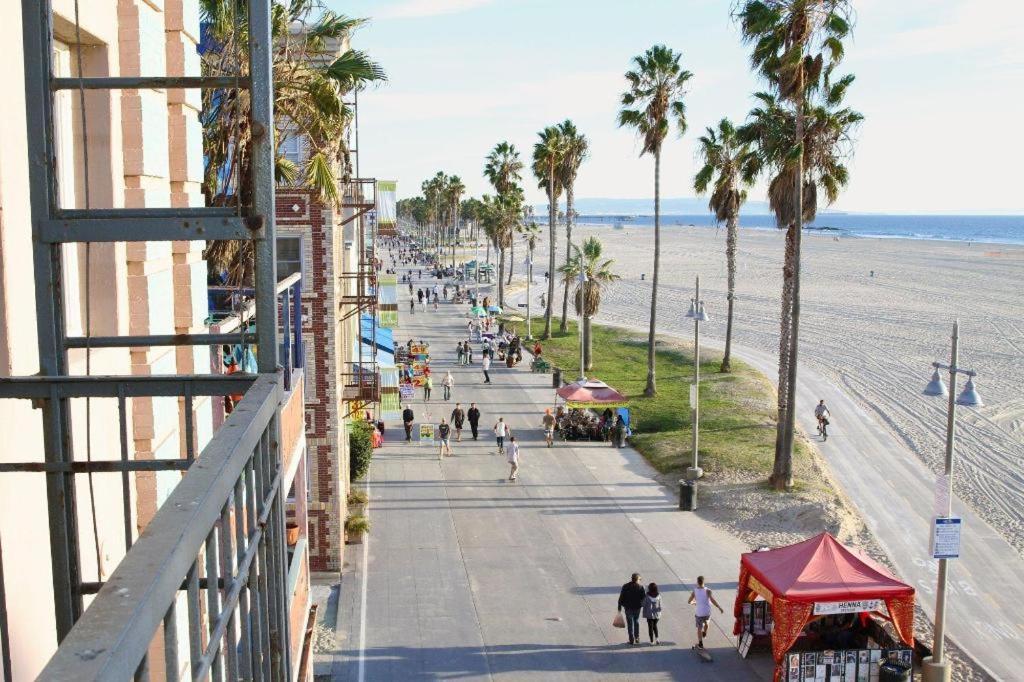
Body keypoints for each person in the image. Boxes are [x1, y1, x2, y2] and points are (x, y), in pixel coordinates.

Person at [688, 575, 724, 650]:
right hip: (707, 612)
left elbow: (689, 601)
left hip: (699, 613)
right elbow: (713, 600)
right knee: (707, 623)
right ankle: (705, 632)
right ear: (704, 582)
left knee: (699, 628)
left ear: (697, 582)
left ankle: (700, 643)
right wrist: (719, 607)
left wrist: (694, 602)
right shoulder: (708, 590)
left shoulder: (694, 591)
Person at [618, 573, 646, 646]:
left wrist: (619, 607)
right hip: (637, 608)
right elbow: (644, 599)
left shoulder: (625, 586)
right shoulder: (641, 587)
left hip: (628, 608)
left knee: (630, 623)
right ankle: (637, 638)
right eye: (640, 579)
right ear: (637, 579)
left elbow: (621, 597)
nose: (640, 580)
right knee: (636, 621)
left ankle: (631, 639)